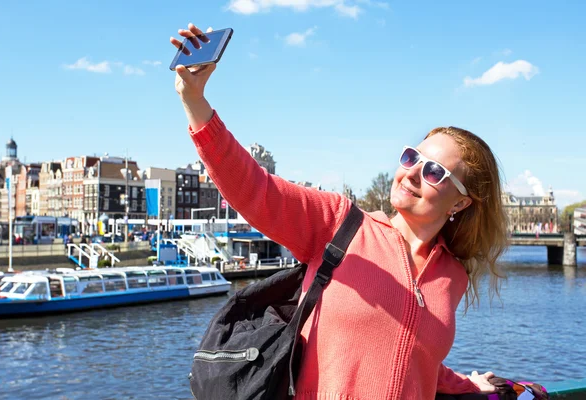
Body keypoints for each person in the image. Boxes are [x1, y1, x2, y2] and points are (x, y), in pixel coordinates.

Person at [170, 23, 508, 400]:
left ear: (461, 202)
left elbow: (415, 356)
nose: (411, 172)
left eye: (433, 172)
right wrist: (193, 99)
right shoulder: (339, 223)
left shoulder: (452, 275)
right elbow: (254, 189)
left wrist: (467, 385)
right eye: (411, 157)